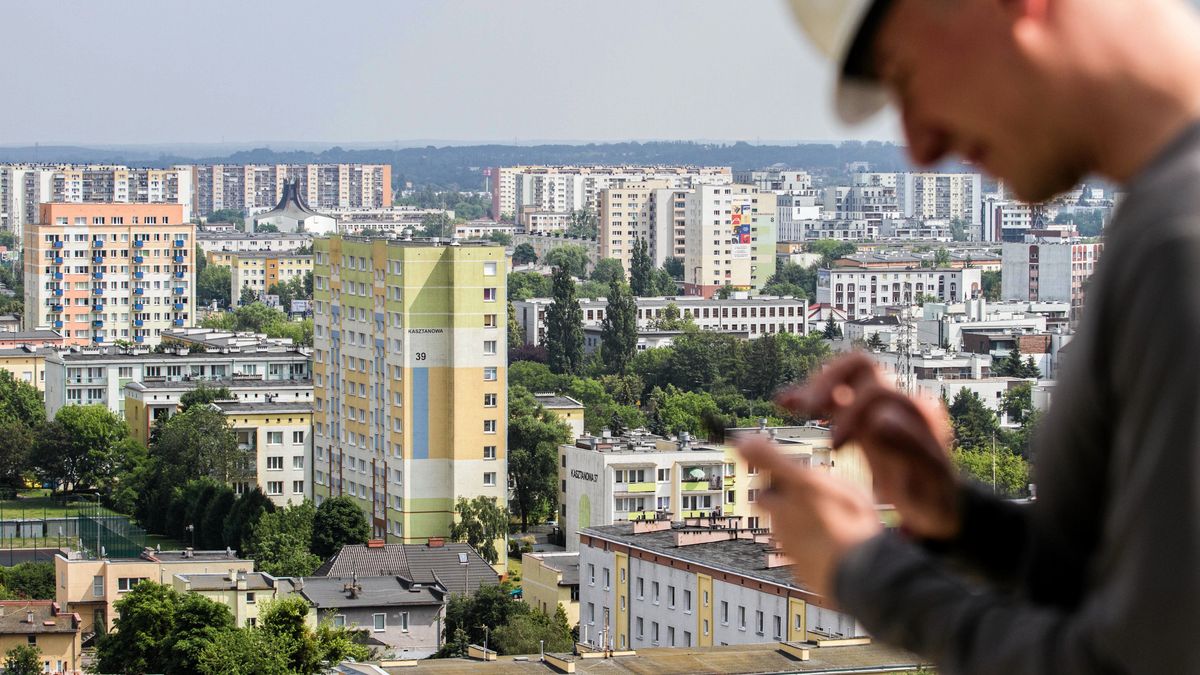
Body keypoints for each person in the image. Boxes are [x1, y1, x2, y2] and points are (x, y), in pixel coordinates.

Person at [738, 0, 1200, 672]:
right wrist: (961, 520)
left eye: (906, 74)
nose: (921, 147)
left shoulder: (1180, 243)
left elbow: (1131, 663)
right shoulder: (1162, 218)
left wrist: (868, 573)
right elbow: (1140, 602)